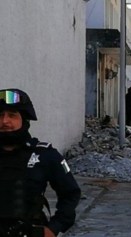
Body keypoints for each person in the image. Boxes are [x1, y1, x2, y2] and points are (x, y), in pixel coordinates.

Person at [0, 88, 81, 237]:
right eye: (0, 115)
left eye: (12, 115)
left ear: (24, 120)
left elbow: (71, 193)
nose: (5, 121)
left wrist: (55, 227)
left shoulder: (44, 155)